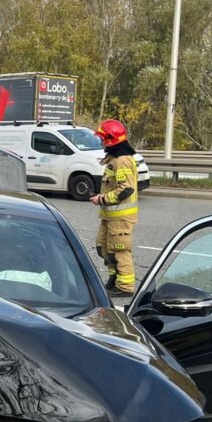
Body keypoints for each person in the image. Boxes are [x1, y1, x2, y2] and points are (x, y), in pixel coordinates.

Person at [90, 119, 139, 296]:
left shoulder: (122, 161)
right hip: (110, 216)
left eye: (103, 139)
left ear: (111, 140)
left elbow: (126, 189)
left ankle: (124, 286)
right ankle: (114, 278)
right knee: (103, 247)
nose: (102, 142)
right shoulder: (115, 158)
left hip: (121, 218)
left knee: (119, 250)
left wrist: (101, 199)